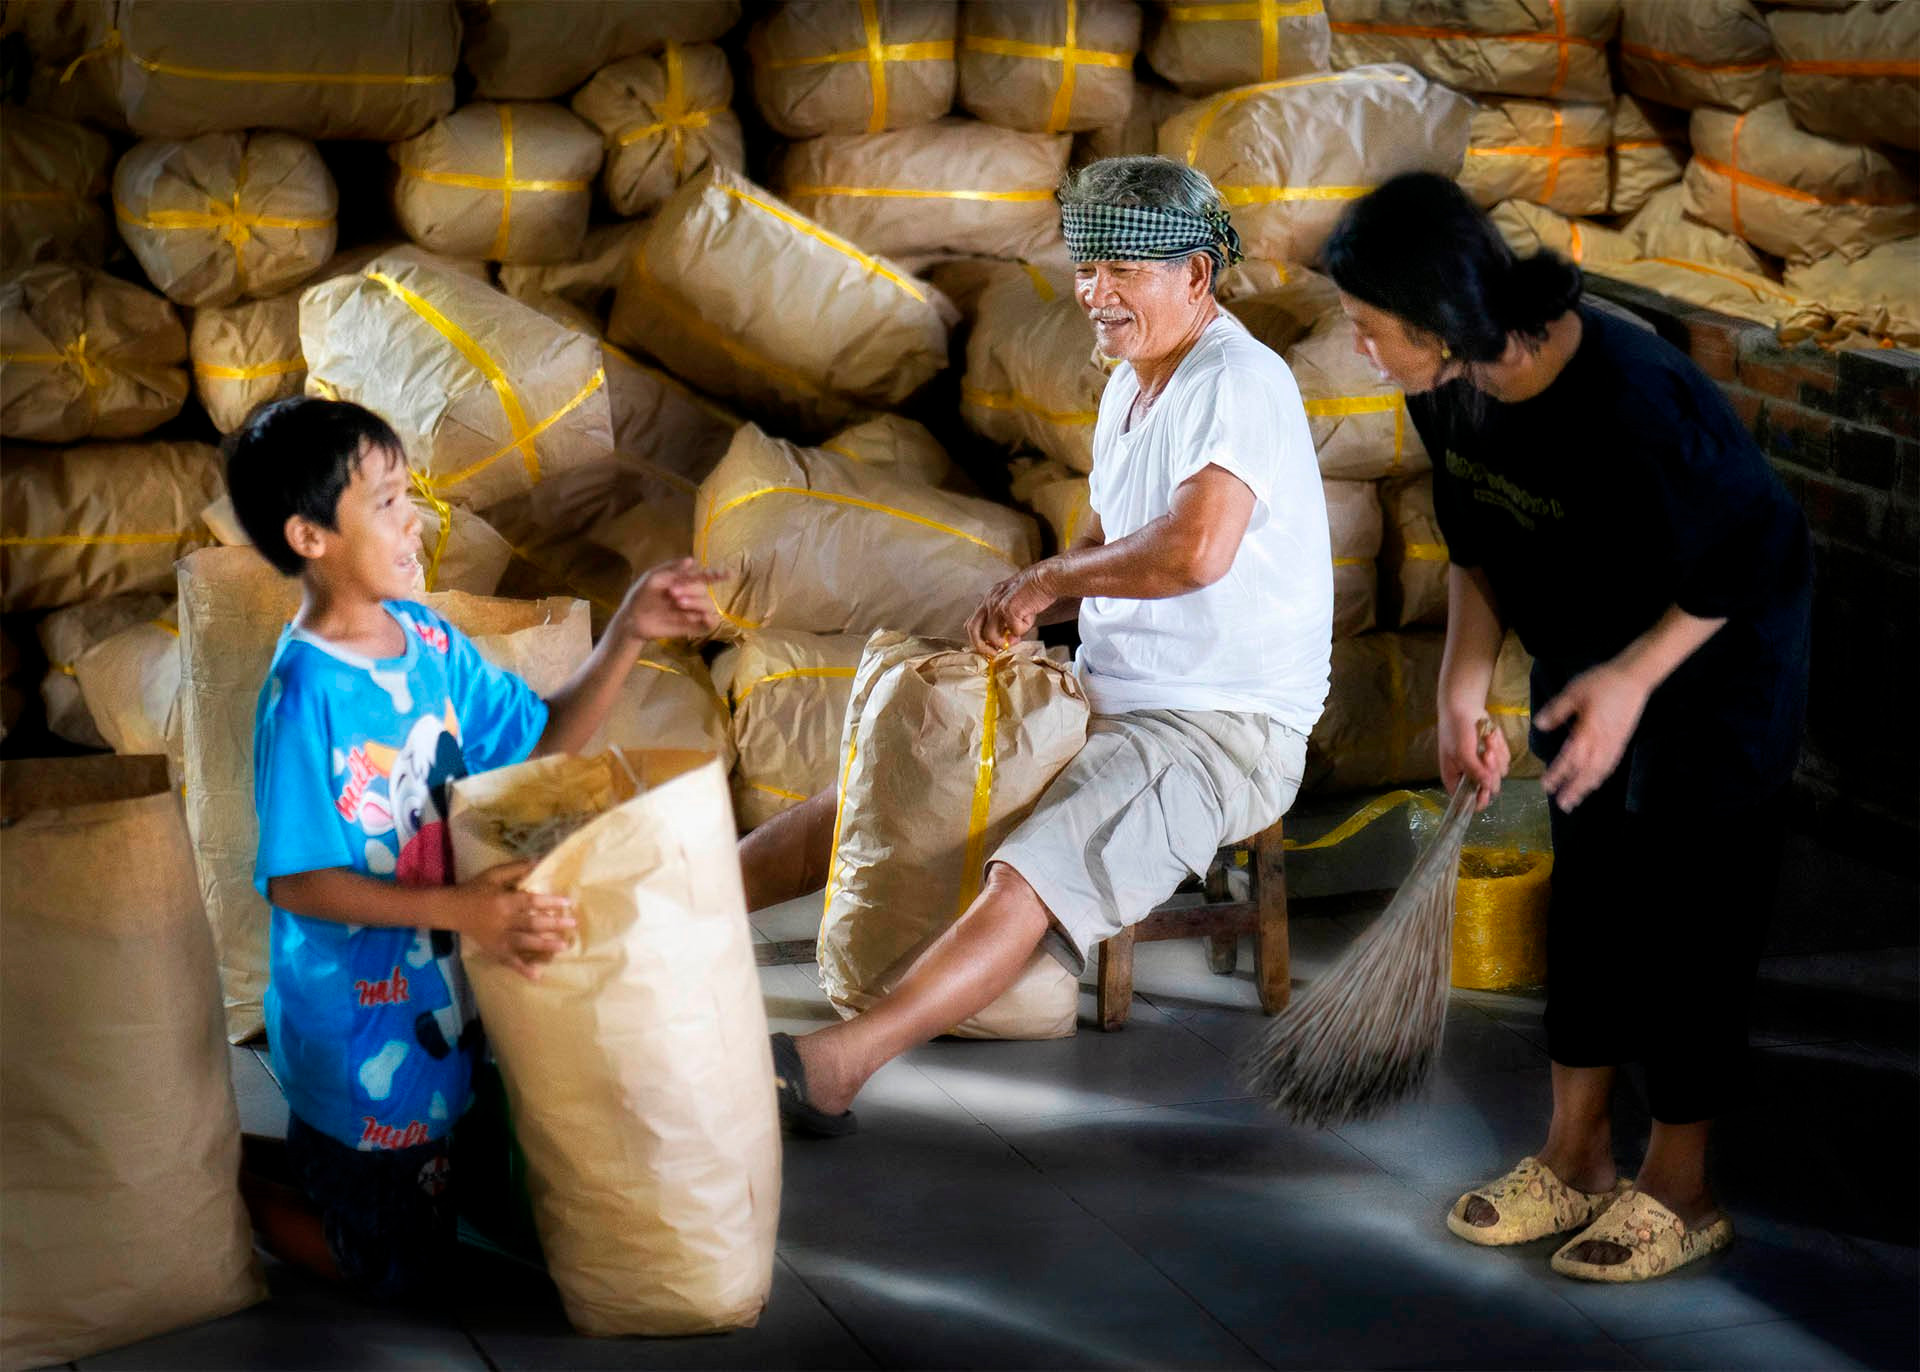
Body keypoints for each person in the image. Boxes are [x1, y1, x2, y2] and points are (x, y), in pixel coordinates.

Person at [743, 155, 1333, 1137]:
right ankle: (674, 922)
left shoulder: (1238, 382)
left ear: (1197, 276)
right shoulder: (1131, 386)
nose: (1096, 295)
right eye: (1088, 268)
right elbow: (1112, 548)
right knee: (884, 790)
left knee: (1036, 866)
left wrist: (1050, 581)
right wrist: (1025, 608)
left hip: (1222, 729)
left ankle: (840, 1066)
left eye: (1124, 274)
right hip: (1109, 696)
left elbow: (1193, 550)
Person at [1322, 173, 1813, 1283]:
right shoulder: (1447, 384)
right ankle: (1576, 1154)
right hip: (1595, 654)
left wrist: (1636, 680)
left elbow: (1759, 552)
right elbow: (1478, 538)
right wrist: (1461, 682)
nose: (1360, 350)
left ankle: (1682, 1189)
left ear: (1438, 318)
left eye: (1366, 329)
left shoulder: (1636, 394)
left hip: (1717, 658)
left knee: (1691, 915)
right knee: (1590, 890)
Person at [225, 396, 719, 1298]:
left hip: (441, 1014)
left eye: (407, 492)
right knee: (392, 1270)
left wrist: (628, 635)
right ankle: (219, 1196)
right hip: (358, 1034)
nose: (414, 518)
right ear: (310, 537)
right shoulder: (305, 696)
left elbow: (534, 746)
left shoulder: (429, 644)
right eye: (384, 502)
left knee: (410, 1196)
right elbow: (297, 882)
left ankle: (291, 1169)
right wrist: (462, 910)